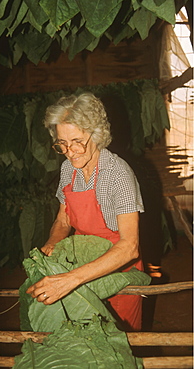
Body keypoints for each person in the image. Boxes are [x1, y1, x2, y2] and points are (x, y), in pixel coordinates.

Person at [26, 92, 144, 331]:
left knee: (119, 344)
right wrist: (52, 244)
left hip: (119, 272)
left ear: (97, 134)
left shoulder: (118, 175)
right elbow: (63, 218)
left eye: (78, 141)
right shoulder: (69, 170)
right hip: (82, 262)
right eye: (63, 144)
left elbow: (130, 247)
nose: (71, 151)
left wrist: (70, 280)